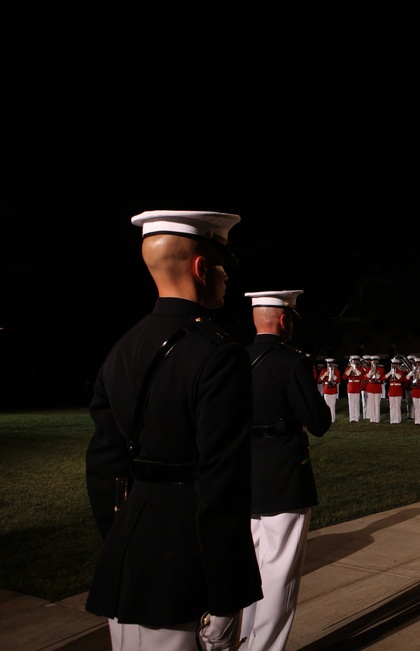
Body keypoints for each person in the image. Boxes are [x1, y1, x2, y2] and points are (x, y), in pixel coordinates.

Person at [85, 210, 261, 651]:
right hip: (182, 566)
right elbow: (222, 482)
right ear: (201, 268)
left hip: (127, 560)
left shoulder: (122, 347)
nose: (226, 278)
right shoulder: (219, 353)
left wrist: (124, 538)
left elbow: (104, 465)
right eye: (222, 266)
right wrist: (225, 596)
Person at [241, 290, 332, 651]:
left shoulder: (234, 357)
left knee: (251, 565)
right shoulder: (291, 361)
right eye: (291, 318)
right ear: (283, 320)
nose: (292, 324)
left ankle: (243, 638)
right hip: (283, 470)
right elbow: (319, 422)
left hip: (244, 470)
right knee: (280, 571)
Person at [343, 355, 366, 422]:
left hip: (356, 386)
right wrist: (350, 369)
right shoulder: (348, 368)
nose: (354, 362)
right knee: (351, 403)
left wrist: (355, 369)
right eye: (353, 361)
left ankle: (356, 418)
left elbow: (361, 377)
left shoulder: (360, 368)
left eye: (356, 361)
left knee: (356, 403)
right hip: (350, 386)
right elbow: (344, 377)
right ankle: (351, 418)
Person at [384, 357, 407, 424]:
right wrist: (390, 373)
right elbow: (384, 378)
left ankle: (398, 420)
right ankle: (392, 420)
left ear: (398, 365)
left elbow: (401, 379)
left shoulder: (401, 372)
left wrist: (395, 373)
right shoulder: (390, 372)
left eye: (395, 364)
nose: (394, 365)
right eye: (393, 364)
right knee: (391, 406)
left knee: (397, 406)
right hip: (391, 390)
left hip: (398, 390)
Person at [407, 356, 420, 425]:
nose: (417, 364)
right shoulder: (413, 370)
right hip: (415, 390)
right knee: (416, 407)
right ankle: (417, 421)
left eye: (419, 363)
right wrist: (410, 374)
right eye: (416, 363)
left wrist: (417, 373)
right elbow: (406, 379)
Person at [364, 355, 385, 423]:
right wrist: (370, 372)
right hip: (370, 387)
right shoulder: (368, 369)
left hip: (377, 387)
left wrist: (375, 371)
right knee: (371, 404)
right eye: (373, 361)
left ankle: (377, 419)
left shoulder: (381, 369)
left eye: (375, 361)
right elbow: (366, 377)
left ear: (378, 362)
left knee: (377, 404)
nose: (374, 362)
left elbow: (380, 378)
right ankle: (372, 419)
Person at [319, 357, 340, 422]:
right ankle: (327, 418)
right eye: (328, 364)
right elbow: (319, 380)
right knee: (327, 405)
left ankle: (332, 419)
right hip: (326, 389)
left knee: (332, 405)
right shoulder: (324, 370)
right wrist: (324, 375)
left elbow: (338, 380)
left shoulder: (336, 371)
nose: (330, 365)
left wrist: (332, 374)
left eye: (331, 363)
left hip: (333, 389)